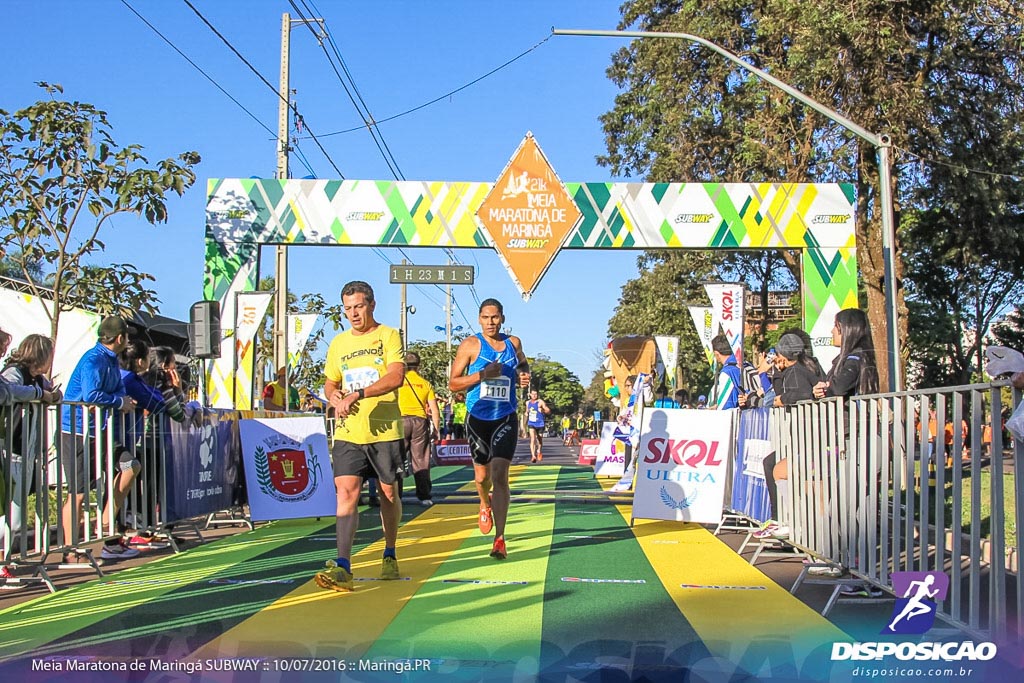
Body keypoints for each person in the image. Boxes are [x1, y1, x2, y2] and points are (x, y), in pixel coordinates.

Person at [314, 281, 406, 592]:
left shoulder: (388, 335)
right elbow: (330, 382)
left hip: (384, 429)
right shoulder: (338, 343)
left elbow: (396, 376)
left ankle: (389, 552)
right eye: (348, 308)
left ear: (372, 305)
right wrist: (334, 395)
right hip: (348, 431)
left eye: (358, 306)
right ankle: (343, 565)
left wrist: (360, 394)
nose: (353, 313)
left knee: (388, 494)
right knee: (346, 493)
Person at [450, 298, 531, 560]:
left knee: (500, 476)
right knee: (482, 477)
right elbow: (453, 383)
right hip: (478, 418)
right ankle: (484, 503)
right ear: (479, 319)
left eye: (495, 317)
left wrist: (524, 374)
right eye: (485, 318)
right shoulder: (470, 345)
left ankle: (500, 538)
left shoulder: (513, 343)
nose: (491, 322)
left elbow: (523, 364)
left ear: (503, 318)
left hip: (505, 416)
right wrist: (483, 375)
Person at [59, 316, 141, 561]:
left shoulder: (111, 360)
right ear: (119, 338)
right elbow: (91, 394)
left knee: (131, 466)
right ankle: (70, 551)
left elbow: (118, 391)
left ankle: (106, 523)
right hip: (76, 430)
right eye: (126, 336)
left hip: (101, 431)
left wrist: (117, 400)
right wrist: (117, 402)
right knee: (79, 492)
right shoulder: (93, 360)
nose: (128, 340)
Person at [1, 333, 62, 583]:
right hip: (10, 451)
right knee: (12, 518)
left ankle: (4, 561)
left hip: (26, 453)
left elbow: (49, 392)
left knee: (14, 519)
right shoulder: (14, 372)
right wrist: (39, 394)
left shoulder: (38, 378)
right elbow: (10, 392)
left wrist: (51, 395)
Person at [398, 351, 441, 506]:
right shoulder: (425, 383)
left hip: (400, 421)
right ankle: (424, 496)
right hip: (419, 422)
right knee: (421, 459)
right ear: (419, 365)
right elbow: (435, 410)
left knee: (398, 459)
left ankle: (396, 496)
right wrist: (436, 429)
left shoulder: (397, 382)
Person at [710, 335, 743, 410]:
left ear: (716, 353)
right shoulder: (746, 364)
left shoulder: (727, 372)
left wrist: (718, 407)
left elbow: (725, 406)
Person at [524, 389, 550, 463]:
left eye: (536, 394)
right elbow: (526, 411)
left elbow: (548, 410)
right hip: (531, 423)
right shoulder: (527, 403)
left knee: (539, 439)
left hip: (540, 423)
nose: (534, 395)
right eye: (533, 394)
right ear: (530, 394)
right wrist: (526, 413)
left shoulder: (540, 402)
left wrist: (543, 410)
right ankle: (533, 456)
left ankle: (539, 451)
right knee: (532, 439)